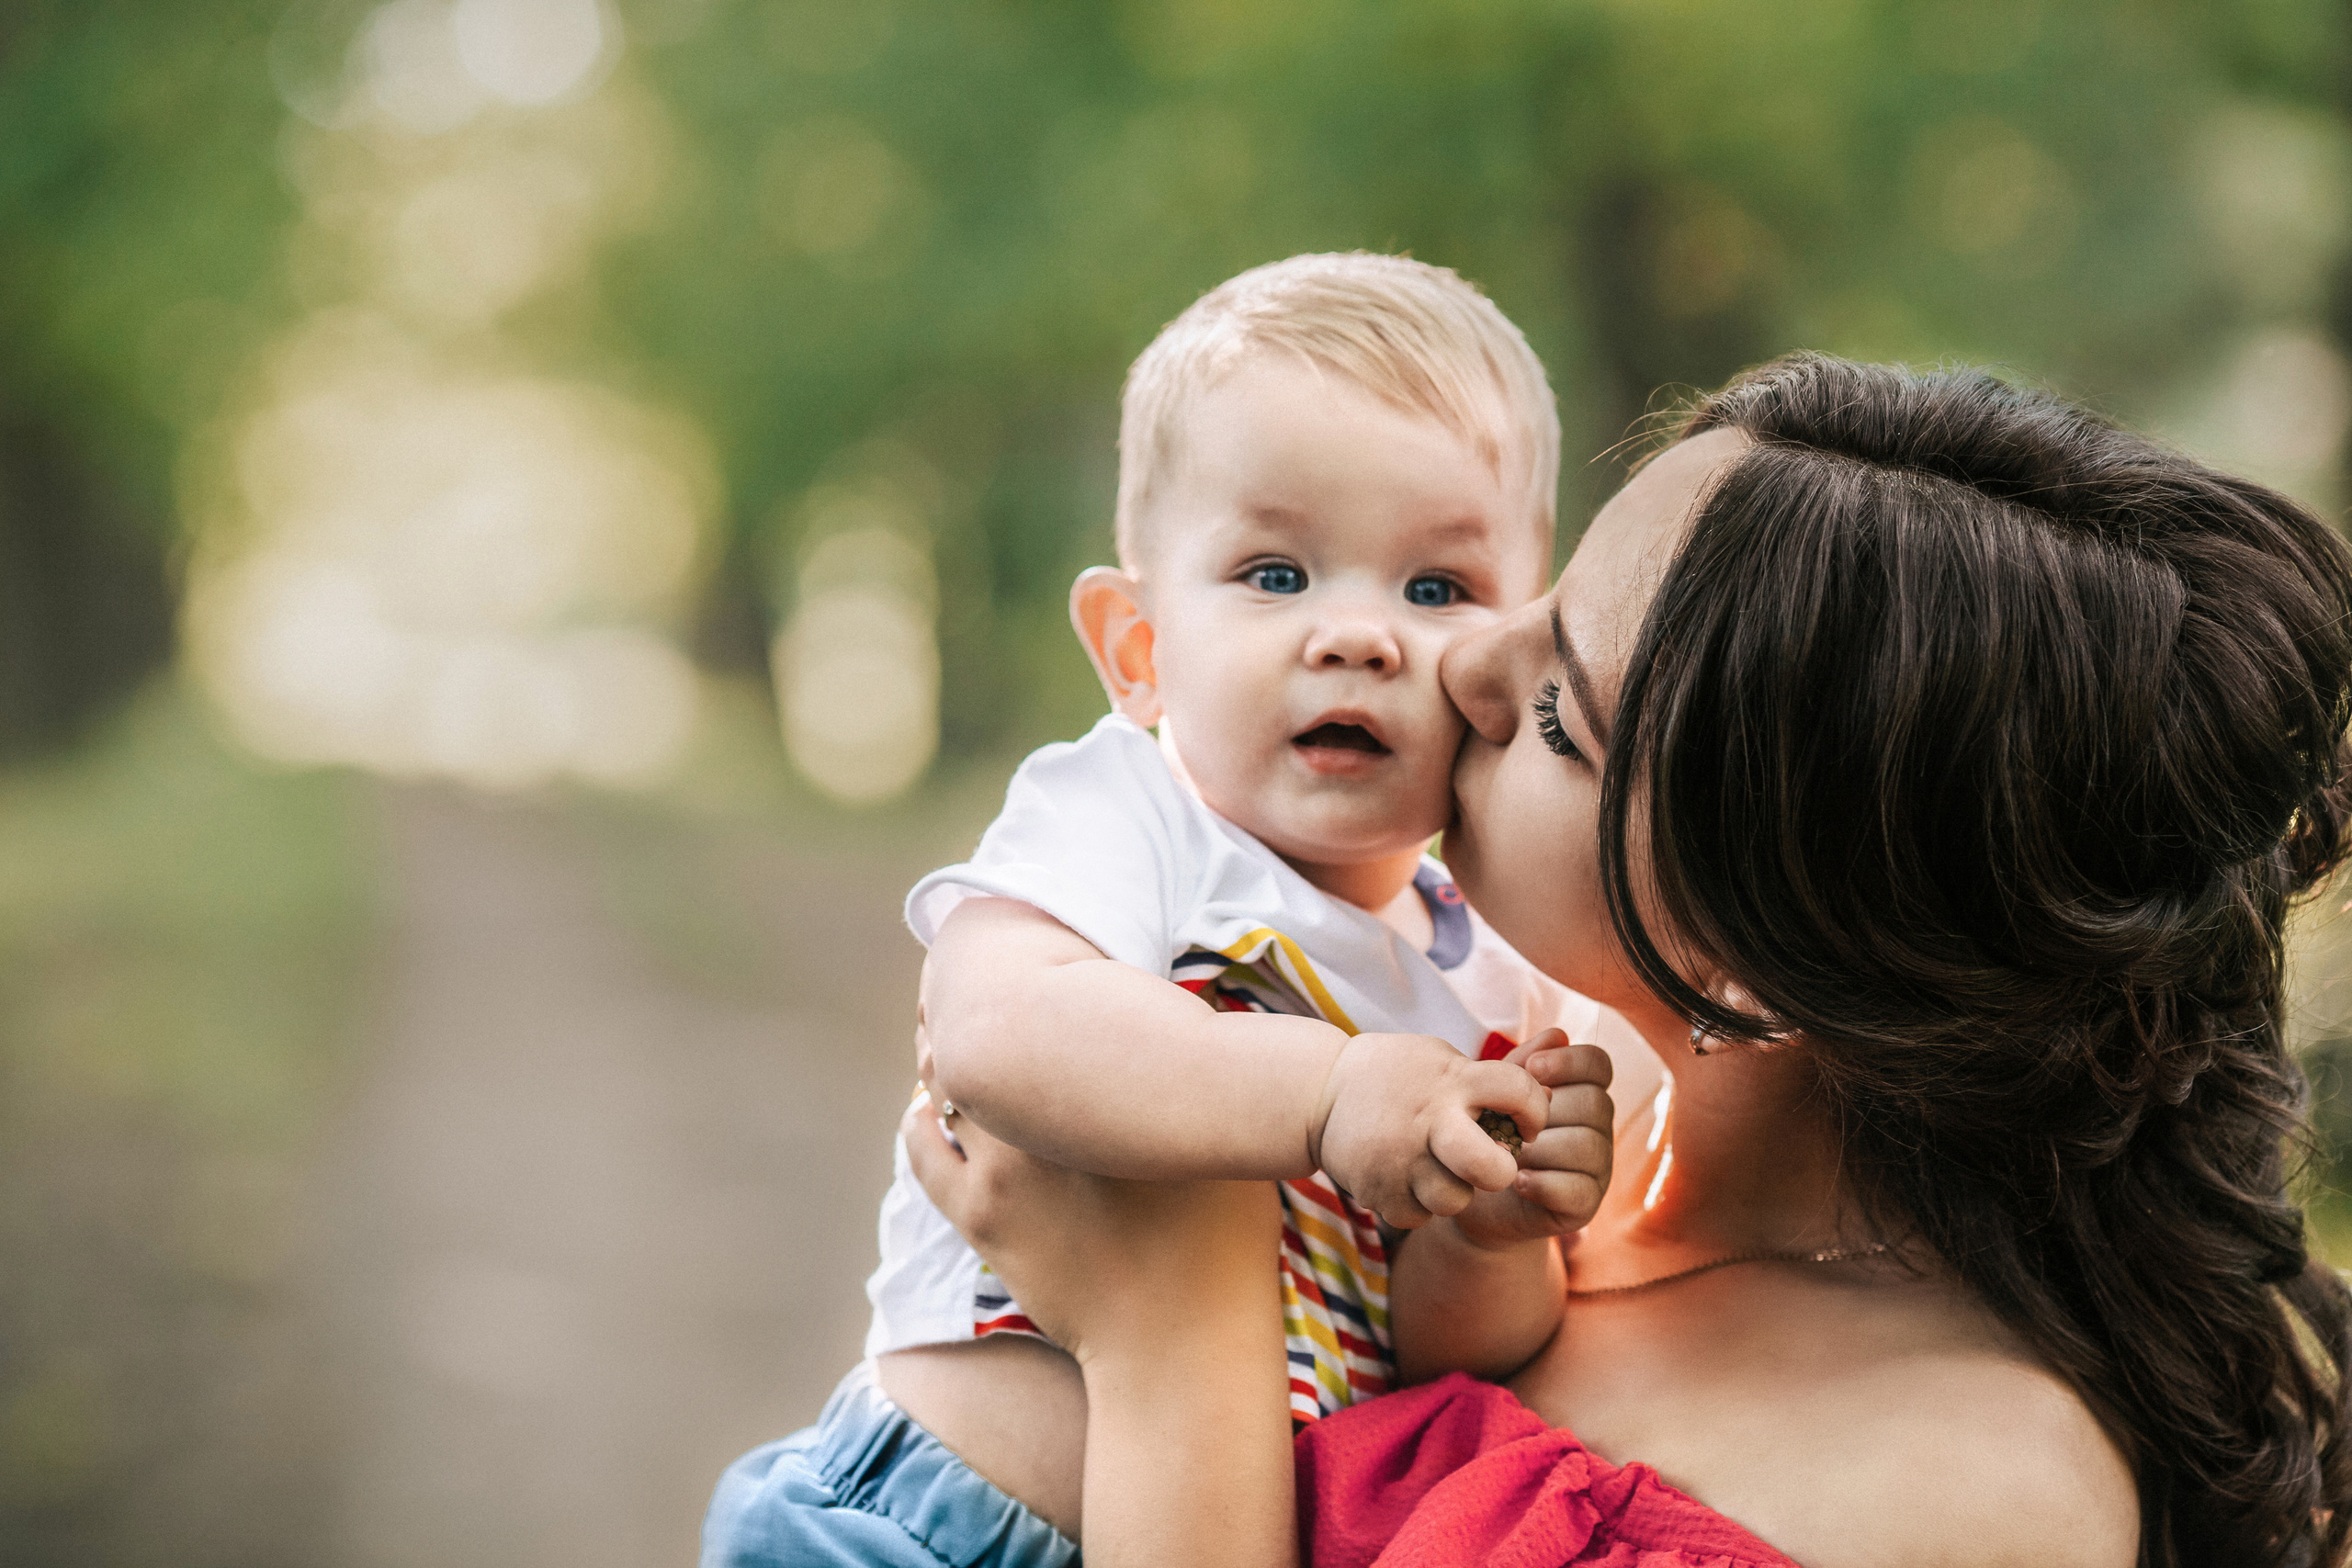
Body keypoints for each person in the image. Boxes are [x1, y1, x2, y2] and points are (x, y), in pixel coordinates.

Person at [909, 353, 2352, 1568]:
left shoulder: (1952, 1496)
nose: (1464, 666)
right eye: (1534, 603)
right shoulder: (1518, 1118)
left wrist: (1170, 1337)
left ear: (1764, 957)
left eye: (1560, 718)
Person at [702, 253, 1644, 1568]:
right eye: (1275, 574)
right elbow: (995, 1031)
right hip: (924, 1519)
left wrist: (1492, 1231)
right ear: (1139, 651)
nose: (1359, 635)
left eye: (1436, 590)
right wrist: (1329, 1093)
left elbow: (1443, 1359)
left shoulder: (1496, 978)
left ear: (1508, 658)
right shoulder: (1130, 815)